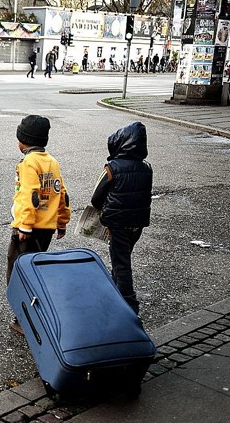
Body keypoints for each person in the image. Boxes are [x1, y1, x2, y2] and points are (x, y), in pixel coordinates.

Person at [7, 115, 70, 335]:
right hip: (47, 228)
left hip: (28, 229)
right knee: (35, 269)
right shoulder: (52, 161)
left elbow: (29, 195)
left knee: (18, 272)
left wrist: (24, 226)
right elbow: (61, 193)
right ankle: (34, 313)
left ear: (22, 141)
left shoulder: (28, 163)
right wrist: (62, 220)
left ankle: (25, 319)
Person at [90, 122, 152, 315]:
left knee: (121, 264)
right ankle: (114, 292)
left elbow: (96, 197)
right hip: (138, 223)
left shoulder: (112, 168)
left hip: (118, 223)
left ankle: (129, 307)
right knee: (122, 257)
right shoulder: (146, 168)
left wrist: (102, 212)